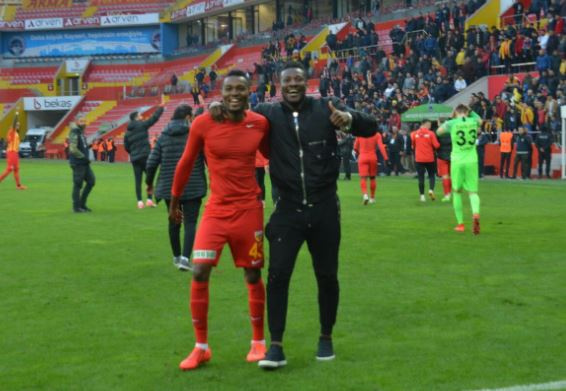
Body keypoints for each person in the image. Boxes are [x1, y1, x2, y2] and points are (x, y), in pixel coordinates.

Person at [248, 62, 377, 369]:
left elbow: (369, 125)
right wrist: (215, 107)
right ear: (280, 86)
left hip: (324, 208)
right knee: (278, 276)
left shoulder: (326, 108)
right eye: (287, 80)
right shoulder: (268, 113)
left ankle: (326, 337)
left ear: (307, 83)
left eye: (298, 80)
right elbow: (236, 115)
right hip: (287, 210)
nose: (293, 84)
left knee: (327, 275)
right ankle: (275, 346)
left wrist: (349, 119)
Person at [170, 70, 270, 370]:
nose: (235, 94)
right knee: (199, 271)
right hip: (215, 211)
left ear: (250, 91)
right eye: (229, 89)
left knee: (252, 275)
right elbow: (186, 161)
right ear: (221, 92)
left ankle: (258, 342)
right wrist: (174, 201)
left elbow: (275, 155)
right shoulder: (203, 122)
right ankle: (201, 347)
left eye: (241, 88)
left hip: (248, 211)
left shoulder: (260, 123)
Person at [146, 104, 206, 272]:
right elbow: (208, 158)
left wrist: (149, 183)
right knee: (190, 222)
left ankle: (176, 256)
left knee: (174, 220)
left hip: (169, 187)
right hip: (194, 185)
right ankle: (186, 259)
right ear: (188, 117)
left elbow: (151, 163)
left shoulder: (163, 137)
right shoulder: (196, 135)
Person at [436, 104, 482, 234]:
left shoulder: (452, 123)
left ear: (456, 112)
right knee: (473, 192)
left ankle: (460, 224)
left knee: (456, 192)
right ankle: (476, 215)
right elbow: (481, 121)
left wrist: (450, 118)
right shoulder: (473, 121)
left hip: (457, 160)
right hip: (472, 160)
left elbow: (438, 132)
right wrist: (471, 111)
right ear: (467, 112)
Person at [124, 99, 164, 209]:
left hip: (135, 158)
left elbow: (126, 147)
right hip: (145, 156)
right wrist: (160, 108)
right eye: (140, 115)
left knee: (138, 179)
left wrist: (133, 153)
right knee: (149, 178)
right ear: (136, 118)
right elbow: (153, 119)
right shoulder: (141, 125)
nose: (141, 116)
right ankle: (149, 200)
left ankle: (139, 202)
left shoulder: (127, 132)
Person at [68, 118, 95, 212]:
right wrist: (83, 157)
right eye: (81, 121)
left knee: (91, 181)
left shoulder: (80, 132)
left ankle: (82, 204)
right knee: (78, 184)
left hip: (84, 162)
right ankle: (76, 207)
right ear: (76, 122)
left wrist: (89, 146)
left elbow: (81, 146)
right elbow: (73, 149)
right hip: (78, 162)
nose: (83, 123)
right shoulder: (75, 132)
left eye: (84, 121)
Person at [354, 132, 388, 204]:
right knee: (372, 178)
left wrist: (359, 153)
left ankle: (365, 195)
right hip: (372, 157)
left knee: (363, 178)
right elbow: (381, 146)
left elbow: (355, 148)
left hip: (362, 157)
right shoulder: (376, 134)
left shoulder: (360, 133)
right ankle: (372, 198)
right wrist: (386, 158)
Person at [411, 119, 440, 202]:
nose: (430, 126)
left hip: (419, 159)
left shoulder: (414, 134)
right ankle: (431, 190)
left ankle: (422, 196)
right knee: (431, 175)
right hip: (429, 158)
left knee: (421, 177)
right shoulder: (431, 133)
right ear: (426, 124)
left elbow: (413, 146)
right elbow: (436, 145)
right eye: (429, 125)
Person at [0, 115, 27, 190]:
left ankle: (18, 186)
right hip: (11, 152)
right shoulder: (12, 131)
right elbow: (14, 123)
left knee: (16, 169)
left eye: (19, 125)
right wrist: (16, 116)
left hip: (15, 153)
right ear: (14, 125)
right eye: (17, 125)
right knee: (9, 169)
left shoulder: (16, 133)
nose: (18, 126)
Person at [436, 130, 452, 202]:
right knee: (451, 176)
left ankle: (447, 195)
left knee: (445, 176)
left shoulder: (438, 133)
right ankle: (450, 193)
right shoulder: (452, 132)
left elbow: (436, 145)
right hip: (452, 156)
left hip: (442, 156)